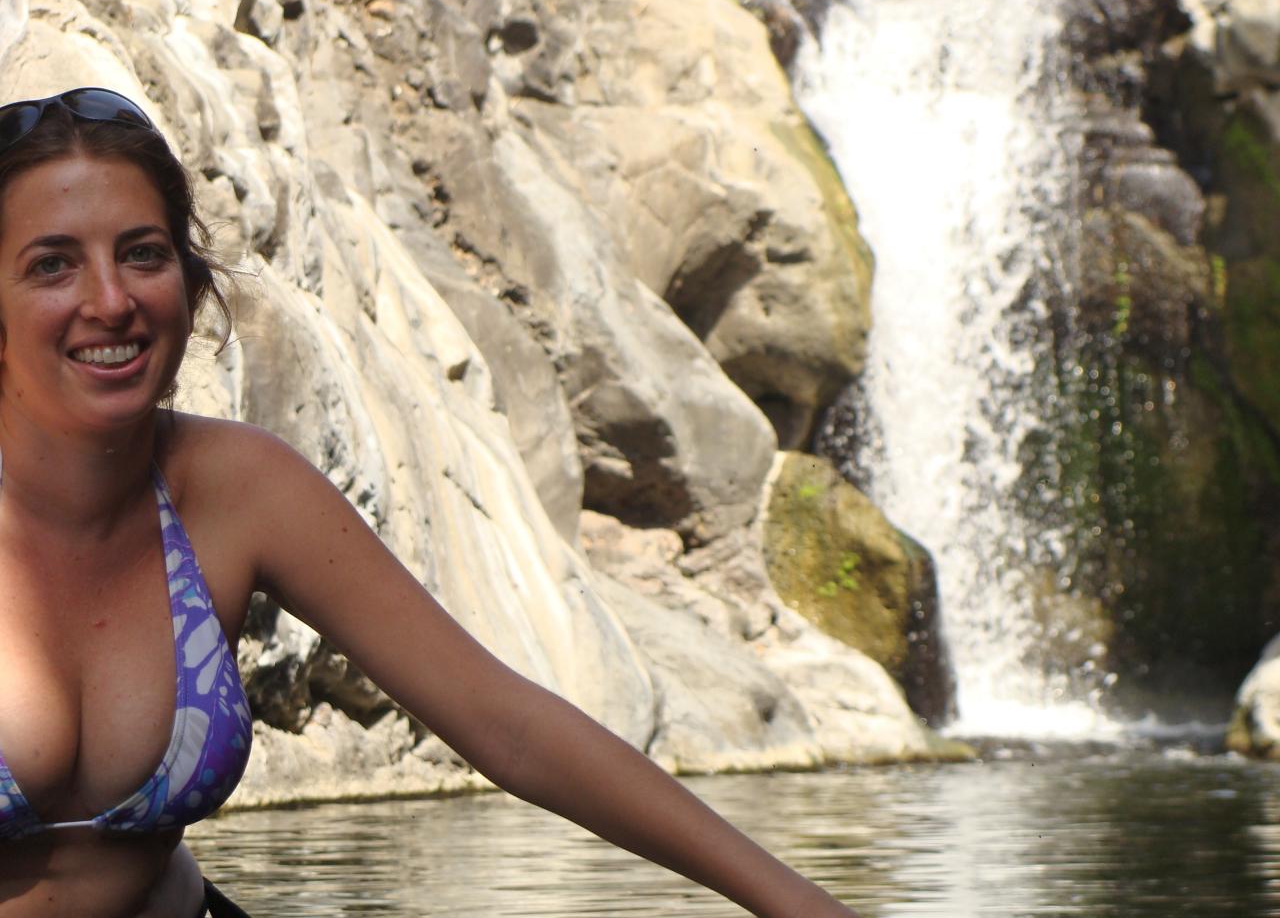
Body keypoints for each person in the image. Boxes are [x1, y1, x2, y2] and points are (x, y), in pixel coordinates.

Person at [0, 87, 861, 918]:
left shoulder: (238, 487)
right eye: (52, 265)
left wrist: (799, 904)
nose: (110, 301)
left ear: (186, 284)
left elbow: (504, 722)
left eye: (143, 253)